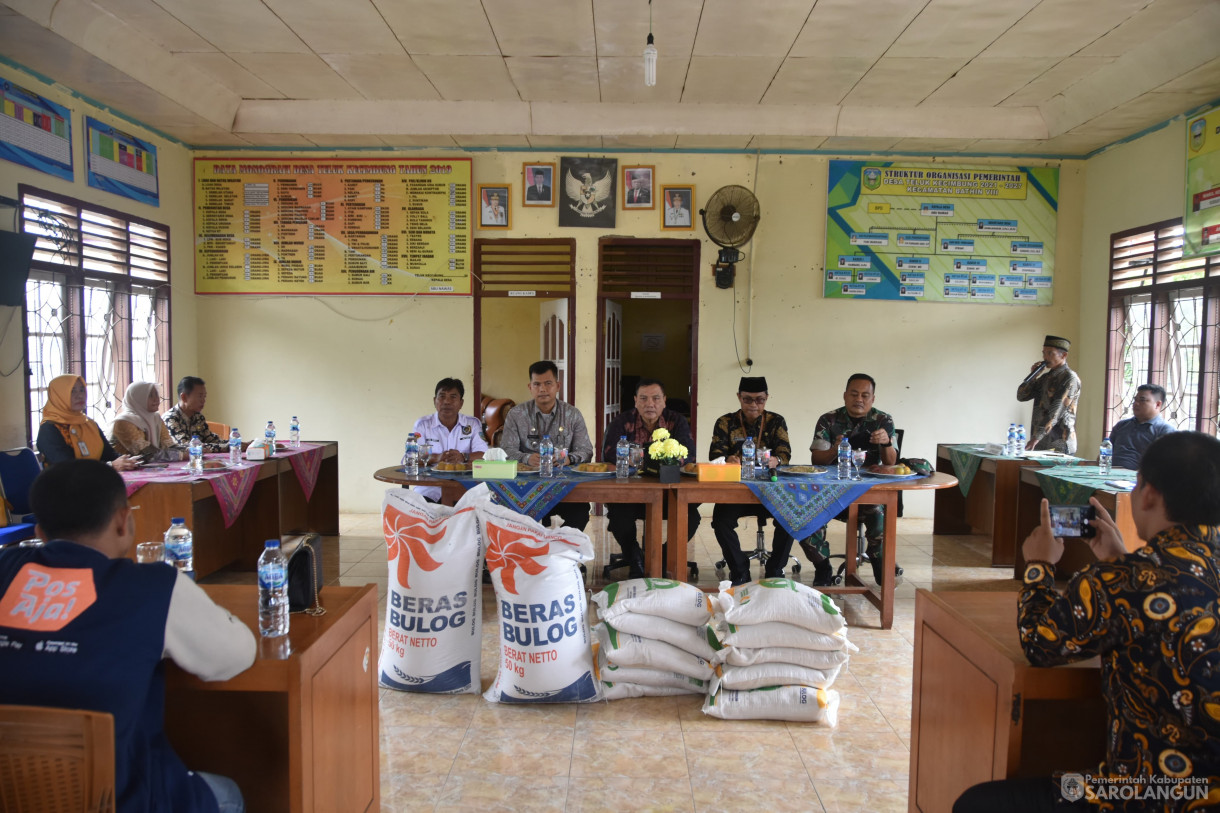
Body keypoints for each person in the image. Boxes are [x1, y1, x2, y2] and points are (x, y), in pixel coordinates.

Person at [954, 432, 1220, 812]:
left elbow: (1040, 645)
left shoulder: (1122, 582)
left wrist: (1040, 566)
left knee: (978, 803)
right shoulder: (1127, 577)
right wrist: (1120, 562)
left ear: (1147, 494)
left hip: (1145, 795)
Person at [0, 459, 256, 811]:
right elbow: (235, 655)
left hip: (12, 796)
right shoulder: (153, 589)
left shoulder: (5, 570)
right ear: (124, 520)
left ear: (41, 532)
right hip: (123, 799)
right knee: (227, 793)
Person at [803, 373, 901, 586]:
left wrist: (886, 443)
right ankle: (822, 566)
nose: (859, 399)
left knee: (877, 512)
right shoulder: (828, 420)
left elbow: (891, 463)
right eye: (854, 394)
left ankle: (878, 560)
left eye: (865, 395)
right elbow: (816, 459)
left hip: (868, 493)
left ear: (873, 399)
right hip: (831, 492)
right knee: (806, 513)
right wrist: (835, 449)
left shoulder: (883, 420)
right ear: (845, 396)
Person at [602, 378, 701, 577]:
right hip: (630, 493)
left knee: (691, 517)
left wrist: (639, 459)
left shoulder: (676, 421)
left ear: (664, 400)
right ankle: (634, 556)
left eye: (656, 398)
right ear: (635, 401)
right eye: (644, 398)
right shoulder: (622, 422)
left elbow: (688, 453)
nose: (650, 404)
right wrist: (656, 460)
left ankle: (662, 557)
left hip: (668, 493)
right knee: (618, 515)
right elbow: (609, 453)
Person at [708, 376, 793, 585]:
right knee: (720, 521)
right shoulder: (725, 422)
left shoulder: (776, 421)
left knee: (790, 516)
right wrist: (727, 459)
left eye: (760, 400)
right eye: (747, 400)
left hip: (770, 489)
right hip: (737, 490)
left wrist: (777, 460)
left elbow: (785, 453)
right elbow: (715, 455)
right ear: (739, 397)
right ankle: (739, 569)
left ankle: (775, 569)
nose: (754, 405)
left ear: (766, 398)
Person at [499, 360, 594, 530]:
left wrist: (568, 459)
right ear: (530, 387)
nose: (542, 389)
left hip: (563, 486)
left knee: (580, 513)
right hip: (525, 489)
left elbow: (586, 451)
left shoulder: (572, 415)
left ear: (557, 386)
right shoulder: (516, 414)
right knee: (517, 521)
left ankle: (558, 552)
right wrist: (526, 458)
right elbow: (506, 450)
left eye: (548, 383)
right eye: (537, 384)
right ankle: (532, 552)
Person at [36, 375, 137, 470]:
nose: (79, 396)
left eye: (82, 390)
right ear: (59, 396)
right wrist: (109, 466)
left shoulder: (89, 424)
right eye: (72, 391)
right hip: (64, 485)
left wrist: (126, 461)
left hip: (95, 480)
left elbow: (109, 454)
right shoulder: (50, 428)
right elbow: (67, 466)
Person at [411, 377, 488, 503]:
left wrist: (464, 457)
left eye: (453, 397)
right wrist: (436, 458)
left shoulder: (472, 424)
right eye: (442, 396)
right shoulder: (422, 425)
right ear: (434, 401)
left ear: (461, 403)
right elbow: (413, 457)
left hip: (465, 485)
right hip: (430, 486)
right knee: (420, 508)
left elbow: (484, 455)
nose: (447, 401)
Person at [1017, 335, 1081, 454]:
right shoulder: (1045, 377)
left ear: (1064, 355)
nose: (1045, 357)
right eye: (1044, 353)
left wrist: (1036, 437)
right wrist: (1033, 377)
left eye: (1050, 353)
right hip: (1040, 441)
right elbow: (1021, 396)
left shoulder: (1069, 378)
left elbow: (1056, 410)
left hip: (1059, 441)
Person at [110, 381, 187, 461]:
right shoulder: (124, 422)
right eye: (150, 396)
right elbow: (147, 453)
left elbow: (169, 445)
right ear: (138, 399)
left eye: (156, 394)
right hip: (124, 470)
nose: (156, 399)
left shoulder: (155, 418)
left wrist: (192, 450)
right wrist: (182, 455)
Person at [1108, 384, 1174, 470]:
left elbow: (1164, 466)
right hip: (1108, 474)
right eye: (1135, 400)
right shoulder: (1122, 425)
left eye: (1142, 400)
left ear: (1157, 404)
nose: (1136, 403)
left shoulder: (1165, 431)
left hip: (1139, 479)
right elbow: (1104, 453)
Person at [162, 375, 226, 452]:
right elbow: (187, 445)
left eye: (204, 396)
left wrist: (235, 443)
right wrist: (226, 447)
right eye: (200, 396)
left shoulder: (198, 417)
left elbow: (210, 439)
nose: (203, 400)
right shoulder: (170, 418)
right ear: (184, 397)